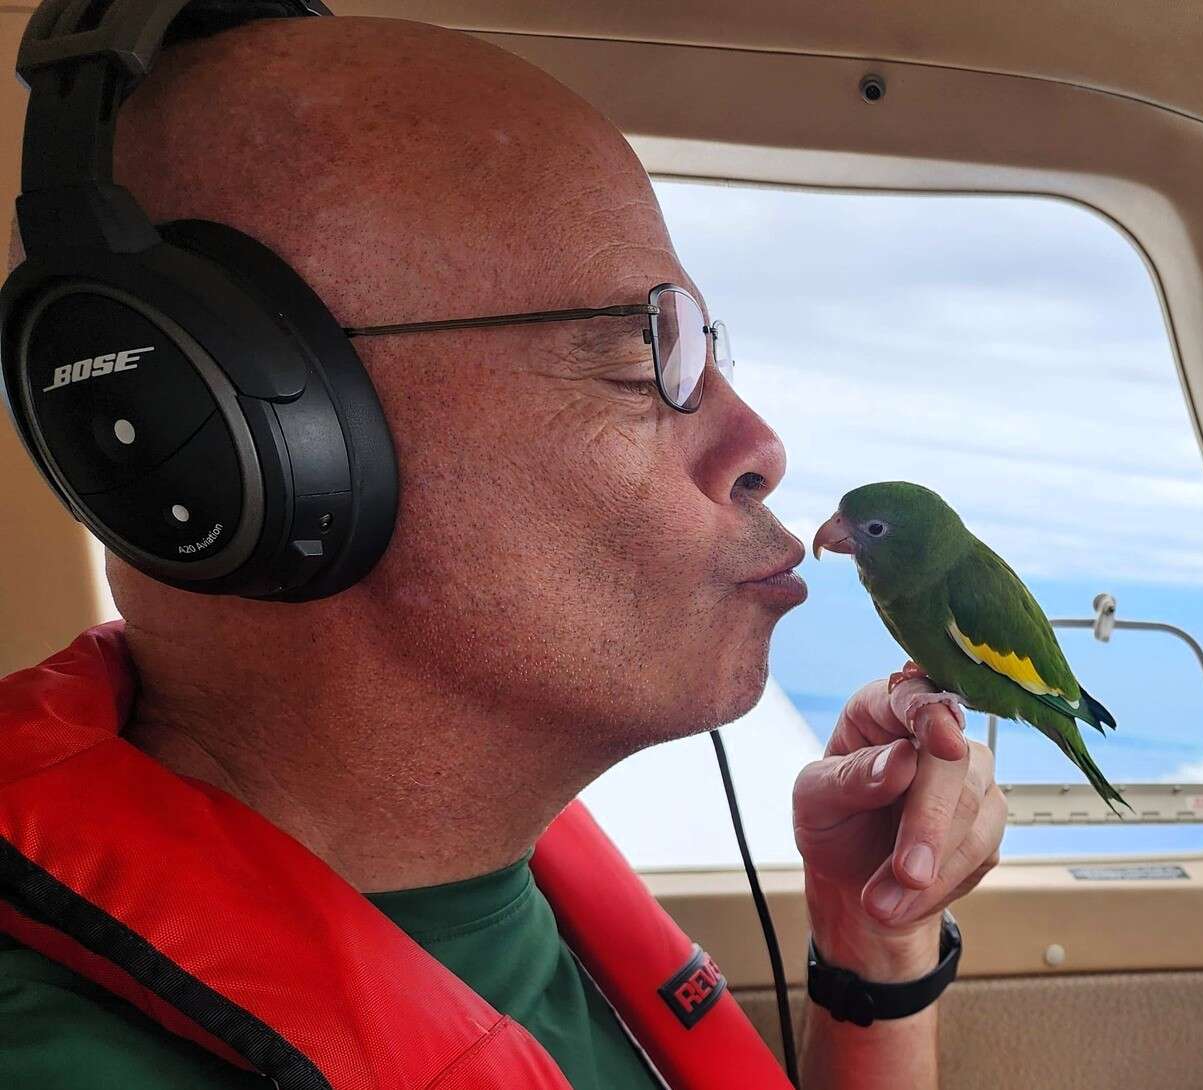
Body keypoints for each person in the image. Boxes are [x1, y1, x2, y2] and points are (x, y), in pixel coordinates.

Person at [0, 12, 1003, 1090]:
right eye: (647, 352)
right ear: (231, 439)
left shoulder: (497, 892)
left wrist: (873, 955)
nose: (758, 447)